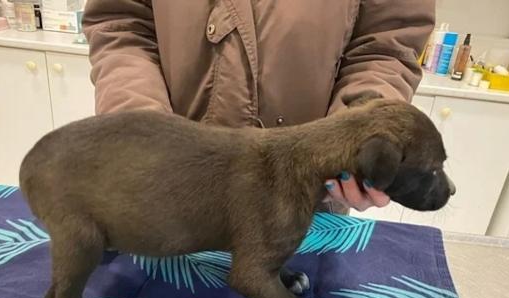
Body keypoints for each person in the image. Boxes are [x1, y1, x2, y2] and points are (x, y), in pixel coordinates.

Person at [82, 0, 435, 213]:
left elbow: (386, 46)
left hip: (309, 197)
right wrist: (141, 129)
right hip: (164, 186)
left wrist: (355, 134)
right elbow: (122, 27)